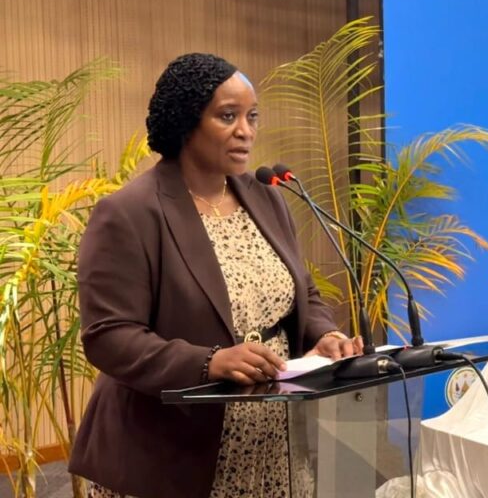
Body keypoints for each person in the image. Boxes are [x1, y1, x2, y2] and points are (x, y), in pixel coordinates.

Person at [68, 53, 364, 498]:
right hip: (172, 452)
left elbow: (300, 288)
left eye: (252, 116)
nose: (246, 130)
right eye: (228, 116)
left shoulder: (266, 197)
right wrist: (207, 362)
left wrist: (323, 335)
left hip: (273, 444)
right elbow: (109, 336)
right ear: (186, 121)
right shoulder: (130, 212)